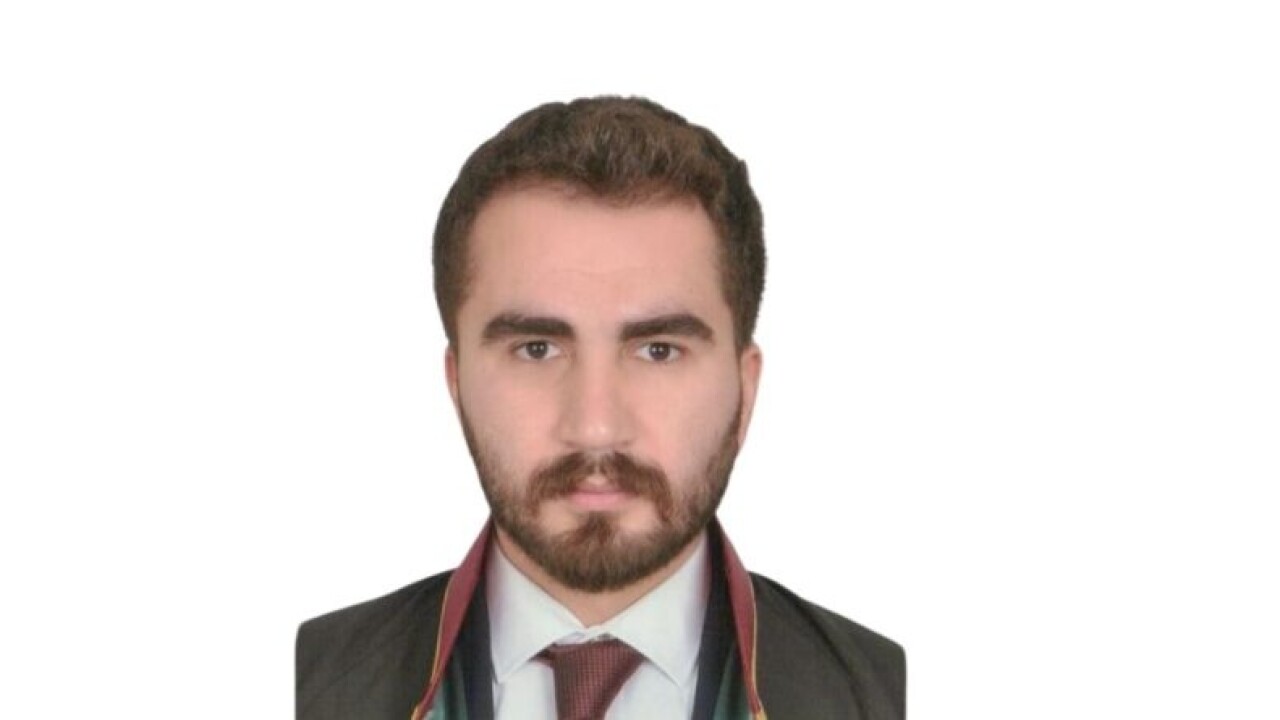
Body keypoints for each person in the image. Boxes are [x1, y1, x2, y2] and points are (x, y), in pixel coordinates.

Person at [296, 96, 906, 720]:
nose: (595, 427)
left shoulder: (893, 696)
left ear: (744, 390)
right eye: (536, 349)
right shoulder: (301, 686)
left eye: (658, 351)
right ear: (457, 385)